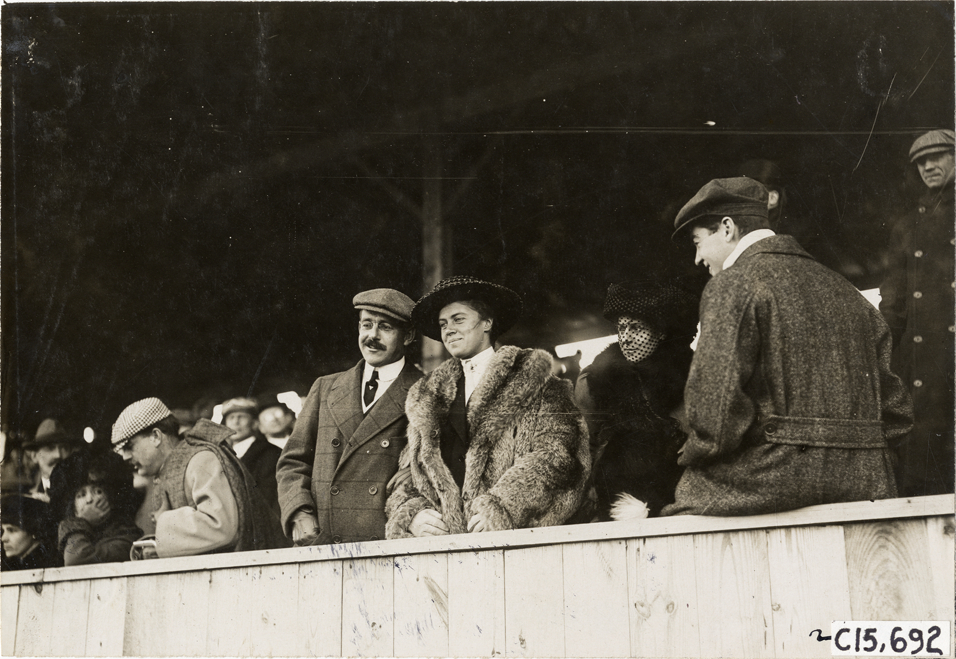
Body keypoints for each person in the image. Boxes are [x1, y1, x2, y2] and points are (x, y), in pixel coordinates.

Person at [664, 177, 912, 516]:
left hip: (769, 480)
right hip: (867, 480)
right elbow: (897, 416)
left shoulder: (732, 285)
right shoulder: (850, 295)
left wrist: (690, 454)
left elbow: (716, 418)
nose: (697, 259)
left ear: (727, 229)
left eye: (697, 242)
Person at [385, 276, 590, 538]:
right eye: (442, 324)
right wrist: (412, 514)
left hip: (514, 542)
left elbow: (558, 456)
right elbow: (409, 476)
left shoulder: (538, 383)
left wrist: (503, 508)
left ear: (487, 323)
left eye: (458, 319)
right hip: (445, 551)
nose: (448, 330)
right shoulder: (427, 398)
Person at [276, 288, 422, 545]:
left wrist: (419, 472)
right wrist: (298, 510)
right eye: (366, 325)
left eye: (385, 327)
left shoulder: (426, 391)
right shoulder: (325, 387)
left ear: (408, 336)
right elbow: (292, 462)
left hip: (387, 544)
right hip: (325, 541)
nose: (372, 336)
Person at [575, 279, 699, 520]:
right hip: (609, 503)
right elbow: (584, 448)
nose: (626, 338)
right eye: (621, 328)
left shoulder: (694, 377)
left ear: (662, 332)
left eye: (637, 328)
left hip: (678, 505)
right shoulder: (595, 380)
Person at [112, 397, 286, 558]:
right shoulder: (175, 465)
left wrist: (164, 520)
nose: (126, 456)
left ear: (156, 436)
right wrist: (156, 545)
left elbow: (221, 526)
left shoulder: (201, 460)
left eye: (130, 446)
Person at [880, 129, 955, 496]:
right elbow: (893, 304)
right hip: (921, 363)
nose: (929, 166)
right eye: (922, 162)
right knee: (924, 471)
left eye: (937, 157)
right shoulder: (907, 226)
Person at [50, 451, 142, 566]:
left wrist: (80, 522)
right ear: (73, 507)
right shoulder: (64, 539)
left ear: (112, 497)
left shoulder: (126, 536)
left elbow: (77, 559)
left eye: (97, 492)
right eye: (81, 495)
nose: (89, 500)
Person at [221, 397, 282, 518]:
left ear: (254, 423)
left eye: (241, 417)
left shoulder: (270, 453)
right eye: (231, 418)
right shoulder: (224, 454)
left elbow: (269, 498)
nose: (235, 422)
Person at [24, 418, 83, 503]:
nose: (58, 455)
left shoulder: (84, 495)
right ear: (34, 456)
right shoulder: (27, 500)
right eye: (50, 448)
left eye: (64, 448)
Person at [1, 494, 57, 571]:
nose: (3, 538)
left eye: (11, 530)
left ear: (33, 532)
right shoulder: (11, 564)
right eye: (3, 531)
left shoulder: (50, 564)